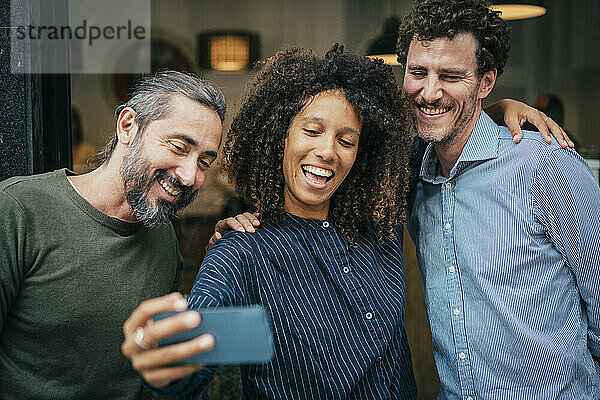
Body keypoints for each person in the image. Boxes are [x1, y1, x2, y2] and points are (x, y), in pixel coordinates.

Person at [123, 45, 419, 400]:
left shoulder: (380, 228)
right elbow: (192, 363)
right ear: (280, 137)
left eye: (346, 140)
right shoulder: (241, 251)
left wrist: (501, 110)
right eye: (311, 130)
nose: (327, 151)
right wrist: (164, 363)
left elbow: (447, 141)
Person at [397, 0, 600, 398]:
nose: (429, 91)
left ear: (486, 82)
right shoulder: (410, 174)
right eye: (418, 72)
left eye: (451, 75)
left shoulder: (546, 167)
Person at [0, 70, 225, 399]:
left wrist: (224, 253)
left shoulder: (163, 239)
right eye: (179, 147)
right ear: (128, 126)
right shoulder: (17, 209)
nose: (191, 176)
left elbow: (155, 368)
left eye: (204, 162)